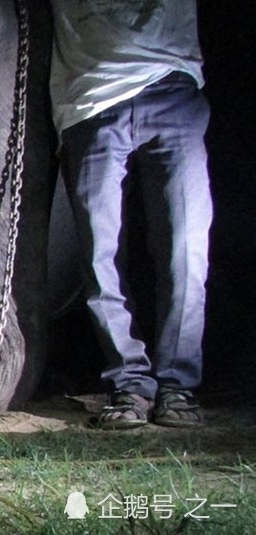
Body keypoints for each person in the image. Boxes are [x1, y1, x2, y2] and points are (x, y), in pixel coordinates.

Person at [49, 0, 213, 429]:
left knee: (186, 251)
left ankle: (177, 385)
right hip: (91, 103)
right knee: (100, 258)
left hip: (173, 89)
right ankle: (130, 384)